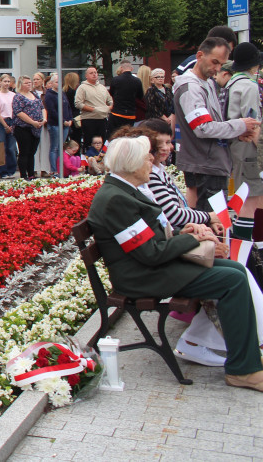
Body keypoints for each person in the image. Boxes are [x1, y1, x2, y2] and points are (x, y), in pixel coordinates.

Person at [87, 135, 263, 392]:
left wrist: (182, 234)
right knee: (233, 280)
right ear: (131, 164)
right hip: (143, 277)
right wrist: (191, 239)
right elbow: (151, 254)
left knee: (235, 270)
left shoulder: (122, 191)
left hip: (149, 268)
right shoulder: (116, 198)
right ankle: (242, 369)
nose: (152, 162)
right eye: (146, 158)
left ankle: (245, 360)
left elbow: (150, 244)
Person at [173, 36, 260, 211]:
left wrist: (237, 133)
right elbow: (202, 127)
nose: (217, 68)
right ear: (200, 55)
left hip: (210, 163)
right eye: (214, 62)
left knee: (214, 224)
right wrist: (240, 125)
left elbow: (211, 125)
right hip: (205, 164)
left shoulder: (206, 84)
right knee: (211, 225)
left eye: (221, 64)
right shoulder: (192, 88)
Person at [224, 42, 263, 239]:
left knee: (244, 197)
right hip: (249, 148)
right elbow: (252, 120)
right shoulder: (249, 86)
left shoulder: (231, 83)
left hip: (235, 144)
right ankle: (246, 247)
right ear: (254, 65)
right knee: (251, 200)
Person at [12, 76, 45, 180]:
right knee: (24, 152)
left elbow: (42, 107)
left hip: (36, 128)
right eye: (26, 83)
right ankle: (24, 175)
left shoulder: (34, 94)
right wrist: (32, 122)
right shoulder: (18, 97)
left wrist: (44, 119)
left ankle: (31, 174)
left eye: (30, 82)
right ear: (21, 85)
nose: (29, 84)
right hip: (23, 127)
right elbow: (19, 112)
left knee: (32, 152)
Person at [43, 73, 73, 177]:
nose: (59, 84)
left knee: (61, 147)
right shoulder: (49, 95)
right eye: (56, 82)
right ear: (51, 83)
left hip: (66, 124)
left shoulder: (62, 93)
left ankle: (61, 168)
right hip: (55, 124)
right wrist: (63, 120)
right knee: (55, 147)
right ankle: (54, 170)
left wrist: (70, 119)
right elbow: (52, 111)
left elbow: (68, 106)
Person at [75, 66, 111, 150]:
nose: (94, 74)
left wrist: (109, 108)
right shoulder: (82, 88)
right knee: (89, 142)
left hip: (102, 119)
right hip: (89, 119)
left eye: (95, 72)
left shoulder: (102, 87)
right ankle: (87, 160)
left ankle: (101, 160)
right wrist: (93, 110)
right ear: (86, 76)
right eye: (91, 73)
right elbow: (78, 103)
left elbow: (110, 100)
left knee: (103, 142)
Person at [108, 60, 143, 135]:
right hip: (130, 114)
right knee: (128, 135)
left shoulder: (116, 80)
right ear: (132, 68)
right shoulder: (137, 81)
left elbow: (111, 94)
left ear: (121, 68)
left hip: (117, 113)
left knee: (114, 135)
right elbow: (140, 96)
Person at [0, 75, 18, 179]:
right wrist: (5, 125)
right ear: (0, 82)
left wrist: (12, 124)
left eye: (8, 81)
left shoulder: (13, 95)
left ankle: (11, 170)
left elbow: (16, 110)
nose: (7, 83)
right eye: (5, 81)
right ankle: (2, 171)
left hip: (12, 120)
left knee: (11, 148)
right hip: (1, 121)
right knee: (1, 147)